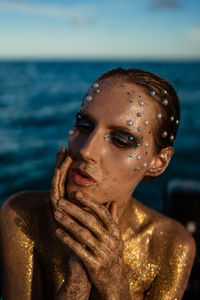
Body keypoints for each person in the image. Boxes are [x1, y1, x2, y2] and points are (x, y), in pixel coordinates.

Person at [0, 68, 196, 300]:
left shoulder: (169, 245)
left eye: (122, 140)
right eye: (84, 125)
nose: (86, 150)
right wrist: (76, 287)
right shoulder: (22, 216)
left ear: (158, 162)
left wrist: (115, 284)